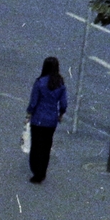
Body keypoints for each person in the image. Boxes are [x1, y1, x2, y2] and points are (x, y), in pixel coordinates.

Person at [25, 56, 69, 184]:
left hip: (38, 119)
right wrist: (61, 114)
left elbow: (34, 101)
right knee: (46, 146)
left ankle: (36, 172)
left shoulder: (39, 82)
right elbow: (64, 103)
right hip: (51, 120)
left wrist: (29, 114)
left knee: (36, 146)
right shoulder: (60, 84)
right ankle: (42, 172)